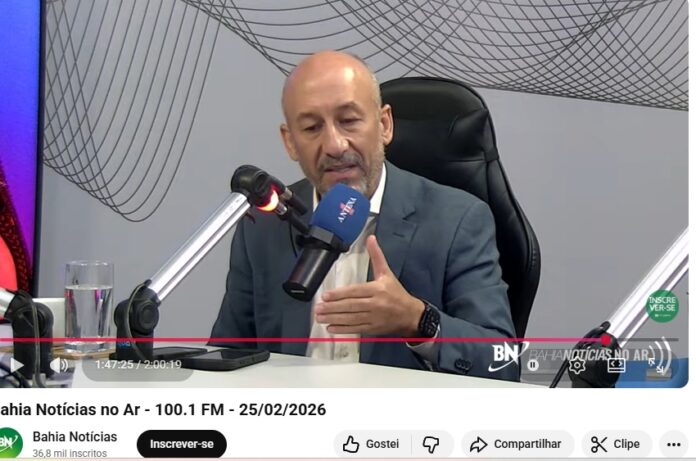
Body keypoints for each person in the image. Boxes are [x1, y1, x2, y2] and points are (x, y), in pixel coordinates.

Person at [211, 51, 518, 381]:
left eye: (349, 121)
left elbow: (502, 363)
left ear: (384, 125)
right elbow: (227, 357)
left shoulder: (458, 219)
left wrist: (418, 320)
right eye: (312, 127)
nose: (334, 145)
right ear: (290, 142)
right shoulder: (264, 224)